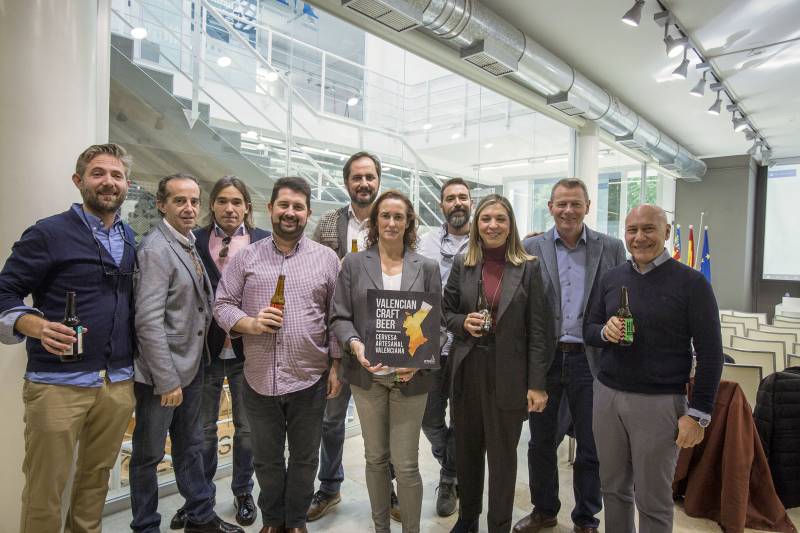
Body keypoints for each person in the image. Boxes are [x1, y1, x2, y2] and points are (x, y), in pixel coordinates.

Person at [0, 143, 137, 533]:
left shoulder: (129, 237)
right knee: (46, 490)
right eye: (98, 173)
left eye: (116, 175)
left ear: (127, 184)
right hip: (57, 386)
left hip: (116, 383)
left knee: (95, 483)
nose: (108, 182)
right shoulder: (48, 233)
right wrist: (34, 325)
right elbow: (4, 292)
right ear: (79, 181)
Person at [584, 204, 723, 533]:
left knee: (653, 500)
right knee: (612, 489)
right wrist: (604, 331)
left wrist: (698, 413)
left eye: (648, 229)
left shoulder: (692, 284)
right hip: (607, 397)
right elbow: (588, 326)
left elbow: (711, 353)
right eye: (632, 230)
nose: (639, 237)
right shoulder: (611, 277)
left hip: (659, 404)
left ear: (666, 231)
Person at [214, 176, 342, 533]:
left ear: (308, 214)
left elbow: (336, 317)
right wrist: (250, 324)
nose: (290, 213)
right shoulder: (246, 258)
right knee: (267, 459)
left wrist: (336, 365)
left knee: (304, 459)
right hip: (259, 378)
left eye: (298, 207)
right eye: (283, 205)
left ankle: (296, 520)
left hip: (309, 379)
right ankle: (272, 520)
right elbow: (222, 305)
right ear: (270, 209)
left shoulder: (327, 259)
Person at [130, 173, 242, 533]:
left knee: (191, 445)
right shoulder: (156, 249)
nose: (189, 208)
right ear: (161, 204)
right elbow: (147, 321)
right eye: (180, 201)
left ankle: (200, 516)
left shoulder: (187, 242)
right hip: (162, 375)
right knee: (148, 455)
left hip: (193, 367)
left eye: (193, 201)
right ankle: (146, 525)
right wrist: (166, 381)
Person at [515, 178, 626, 533]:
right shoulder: (531, 246)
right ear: (550, 207)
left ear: (588, 207)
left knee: (592, 446)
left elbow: (622, 299)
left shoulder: (611, 248)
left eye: (575, 204)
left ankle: (586, 518)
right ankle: (544, 510)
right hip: (544, 360)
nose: (568, 210)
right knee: (541, 442)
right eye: (561, 204)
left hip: (591, 359)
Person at [330, 190, 441, 533]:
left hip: (411, 380)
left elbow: (437, 324)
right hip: (368, 378)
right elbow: (339, 316)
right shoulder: (353, 263)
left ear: (409, 223)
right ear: (375, 221)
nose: (391, 222)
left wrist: (420, 360)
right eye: (385, 216)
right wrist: (355, 346)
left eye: (399, 216)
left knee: (406, 465)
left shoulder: (426, 267)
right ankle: (381, 528)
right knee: (375, 459)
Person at [443, 194, 552, 533]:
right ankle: (468, 519)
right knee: (467, 451)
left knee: (503, 458)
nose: (492, 225)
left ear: (510, 225)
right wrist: (463, 323)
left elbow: (540, 331)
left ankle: (499, 525)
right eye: (486, 218)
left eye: (500, 219)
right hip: (467, 370)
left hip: (509, 375)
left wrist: (536, 384)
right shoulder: (465, 263)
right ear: (477, 224)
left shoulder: (529, 267)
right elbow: (445, 311)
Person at [169, 177, 271, 529]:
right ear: (211, 205)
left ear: (247, 207)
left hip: (249, 350)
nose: (230, 208)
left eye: (237, 201)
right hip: (205, 351)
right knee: (203, 430)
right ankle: (201, 498)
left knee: (246, 429)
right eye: (223, 201)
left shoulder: (263, 242)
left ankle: (243, 491)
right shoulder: (191, 241)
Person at [309, 150, 403, 522]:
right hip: (339, 338)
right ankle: (329, 487)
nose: (364, 183)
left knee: (385, 424)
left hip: (384, 340)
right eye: (357, 177)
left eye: (370, 177)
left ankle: (389, 490)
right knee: (331, 420)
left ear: (378, 180)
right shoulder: (328, 223)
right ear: (346, 182)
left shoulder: (392, 220)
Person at [416, 177, 472, 517]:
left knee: (464, 420)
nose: (457, 203)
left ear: (471, 202)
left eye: (463, 197)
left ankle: (449, 477)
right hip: (429, 345)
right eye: (450, 198)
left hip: (468, 348)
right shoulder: (425, 242)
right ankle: (455, 464)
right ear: (441, 205)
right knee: (430, 419)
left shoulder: (484, 242)